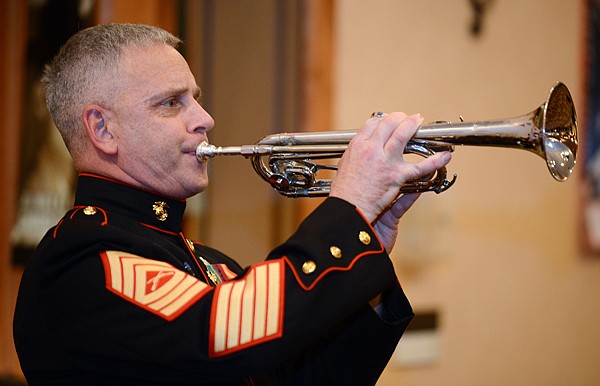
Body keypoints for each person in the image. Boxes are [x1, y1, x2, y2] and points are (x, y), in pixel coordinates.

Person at [13, 23, 451, 386]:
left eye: (196, 97)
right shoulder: (80, 260)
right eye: (170, 103)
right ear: (103, 130)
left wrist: (366, 242)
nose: (205, 118)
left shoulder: (207, 263)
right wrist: (347, 210)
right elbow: (221, 331)